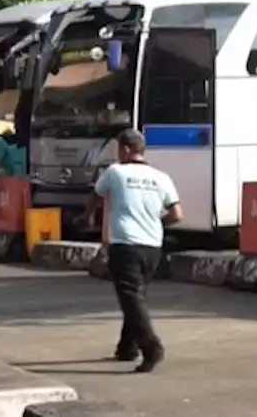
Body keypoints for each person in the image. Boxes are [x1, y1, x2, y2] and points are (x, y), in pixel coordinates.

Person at [88, 128, 182, 373]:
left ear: (126, 149)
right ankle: (126, 347)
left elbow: (97, 194)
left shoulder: (115, 172)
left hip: (125, 244)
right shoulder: (162, 177)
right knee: (136, 297)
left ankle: (151, 347)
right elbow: (177, 214)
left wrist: (88, 218)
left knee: (131, 299)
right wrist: (155, 222)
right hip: (152, 246)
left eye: (119, 149)